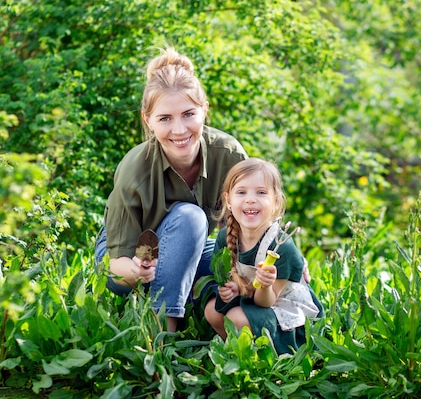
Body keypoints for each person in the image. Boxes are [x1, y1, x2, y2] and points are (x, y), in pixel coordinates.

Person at [94, 47, 248, 332]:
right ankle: (163, 335)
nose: (179, 130)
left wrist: (287, 260)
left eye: (189, 114)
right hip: (127, 255)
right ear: (148, 121)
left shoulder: (229, 154)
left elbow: (258, 216)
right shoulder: (134, 168)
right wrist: (137, 272)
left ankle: (212, 320)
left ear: (204, 110)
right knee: (190, 216)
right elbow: (115, 264)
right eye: (165, 118)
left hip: (190, 249)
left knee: (227, 268)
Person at [203, 158, 324, 354]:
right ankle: (239, 352)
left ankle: (266, 356)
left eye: (261, 192)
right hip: (250, 300)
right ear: (229, 200)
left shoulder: (281, 247)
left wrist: (265, 285)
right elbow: (229, 275)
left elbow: (265, 301)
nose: (250, 199)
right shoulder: (226, 237)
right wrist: (232, 288)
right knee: (212, 310)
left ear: (276, 201)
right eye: (241, 192)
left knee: (235, 317)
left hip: (283, 312)